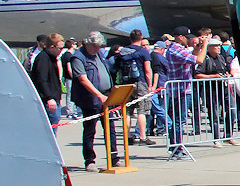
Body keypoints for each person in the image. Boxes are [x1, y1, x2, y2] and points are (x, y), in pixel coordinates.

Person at [69, 31, 120, 170]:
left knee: (110, 129)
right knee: (90, 130)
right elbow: (83, 79)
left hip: (106, 97)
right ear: (88, 44)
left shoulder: (98, 54)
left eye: (99, 47)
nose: (98, 49)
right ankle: (89, 160)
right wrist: (98, 95)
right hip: (90, 99)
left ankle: (114, 157)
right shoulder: (78, 57)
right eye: (96, 47)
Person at [163, 26, 208, 158]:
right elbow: (199, 60)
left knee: (180, 120)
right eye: (187, 38)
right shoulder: (175, 50)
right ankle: (176, 148)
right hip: (179, 90)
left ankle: (177, 147)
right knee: (179, 121)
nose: (188, 40)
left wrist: (198, 47)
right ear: (180, 37)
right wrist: (205, 45)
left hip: (182, 89)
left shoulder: (179, 49)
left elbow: (192, 56)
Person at [115, 29, 157, 146]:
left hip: (125, 83)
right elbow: (148, 70)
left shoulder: (123, 51)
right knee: (142, 110)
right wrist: (150, 85)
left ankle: (127, 136)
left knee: (127, 111)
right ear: (141, 38)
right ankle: (142, 137)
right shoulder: (143, 52)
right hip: (140, 82)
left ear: (130, 38)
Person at [194, 37, 237, 145]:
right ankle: (216, 138)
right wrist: (213, 76)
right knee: (214, 115)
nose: (218, 48)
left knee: (231, 111)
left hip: (224, 88)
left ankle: (228, 135)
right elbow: (197, 75)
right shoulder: (205, 59)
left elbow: (226, 69)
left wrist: (227, 75)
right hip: (211, 90)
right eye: (216, 46)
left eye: (219, 46)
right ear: (209, 48)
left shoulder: (221, 57)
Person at [30, 33, 65, 133]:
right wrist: (49, 98)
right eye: (60, 48)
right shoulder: (43, 59)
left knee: (53, 128)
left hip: (54, 99)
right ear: (52, 47)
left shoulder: (52, 58)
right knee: (49, 131)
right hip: (48, 102)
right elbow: (41, 80)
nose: (61, 51)